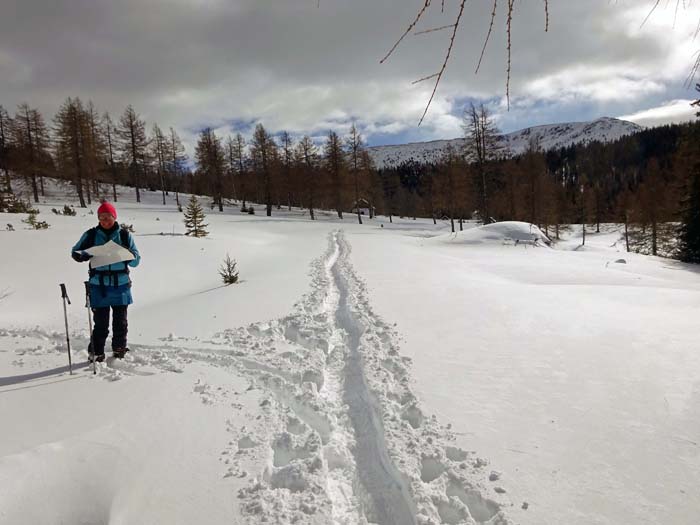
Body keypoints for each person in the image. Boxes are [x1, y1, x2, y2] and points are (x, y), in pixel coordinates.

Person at [71, 202, 141, 362]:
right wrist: (81, 255)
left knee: (121, 323)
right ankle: (96, 352)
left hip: (121, 285)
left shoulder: (124, 235)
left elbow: (136, 261)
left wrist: (129, 255)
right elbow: (75, 251)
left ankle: (119, 348)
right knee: (101, 324)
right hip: (98, 285)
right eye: (101, 218)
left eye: (108, 217)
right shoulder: (90, 235)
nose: (105, 221)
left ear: (114, 217)